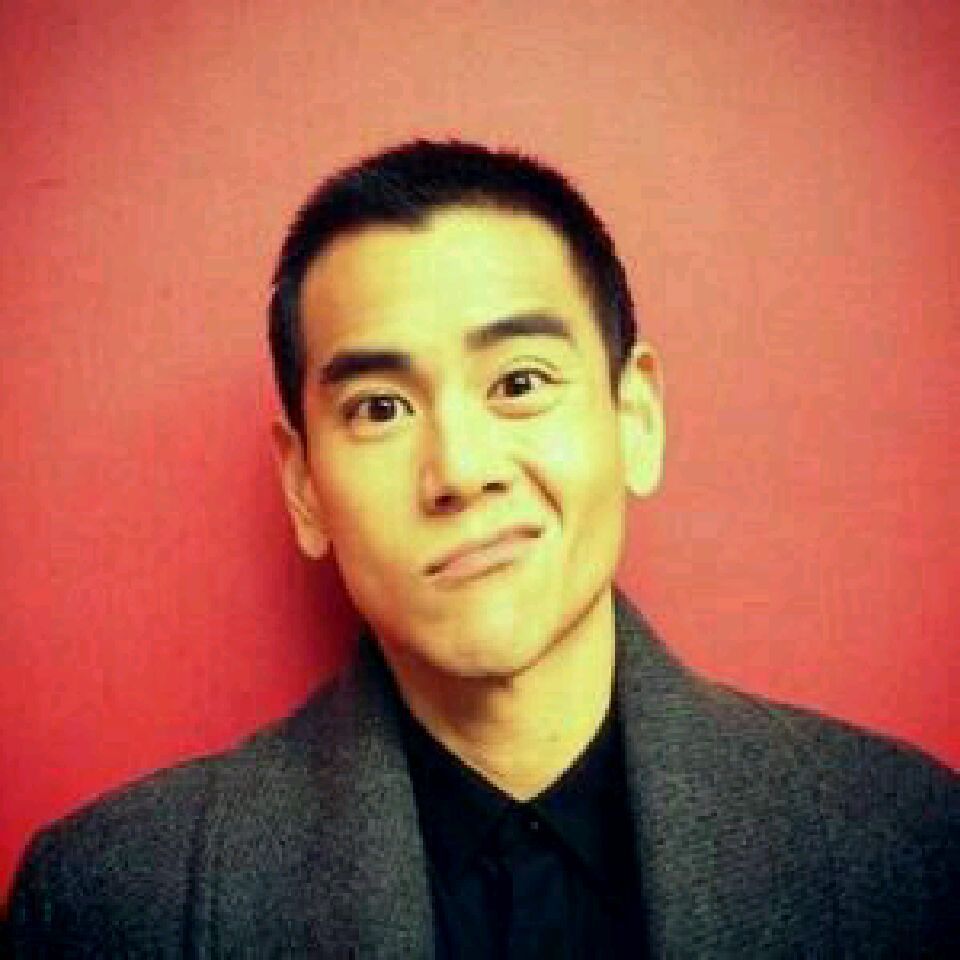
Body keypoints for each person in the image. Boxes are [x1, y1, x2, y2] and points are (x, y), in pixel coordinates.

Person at [4, 140, 957, 958]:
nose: (459, 470)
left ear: (635, 418)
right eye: (380, 408)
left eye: (520, 382)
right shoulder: (105, 903)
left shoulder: (912, 844)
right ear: (304, 487)